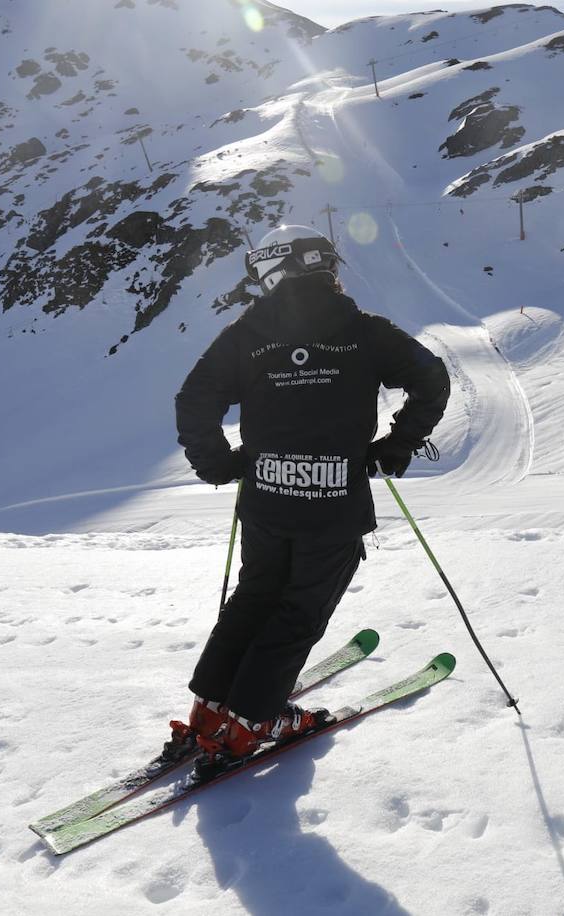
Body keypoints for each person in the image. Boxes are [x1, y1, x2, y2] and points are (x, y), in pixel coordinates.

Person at [171, 224, 450, 761]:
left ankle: (212, 707)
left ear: (272, 274)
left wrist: (218, 462)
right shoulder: (364, 331)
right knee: (298, 612)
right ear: (323, 268)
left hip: (265, 499)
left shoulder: (247, 334)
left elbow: (194, 400)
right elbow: (432, 378)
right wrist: (398, 444)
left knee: (253, 598)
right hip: (333, 507)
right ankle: (253, 721)